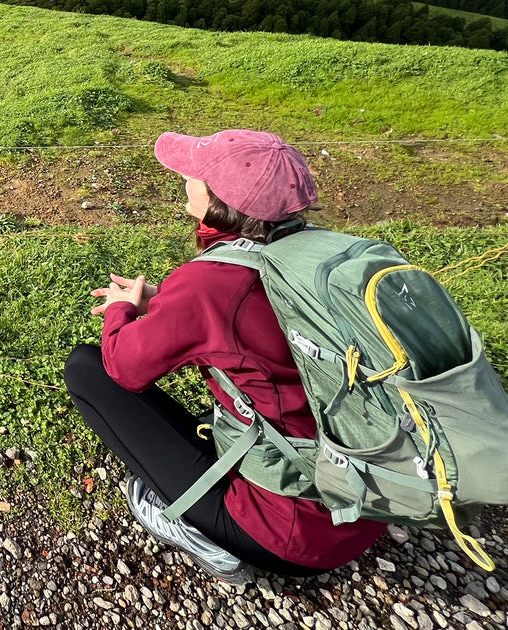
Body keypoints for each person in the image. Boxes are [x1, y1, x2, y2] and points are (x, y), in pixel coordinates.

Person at [63, 130, 386, 583]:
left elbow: (123, 366)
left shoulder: (212, 285)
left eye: (194, 175)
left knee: (87, 369)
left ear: (219, 202)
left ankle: (208, 542)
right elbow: (252, 323)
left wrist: (121, 308)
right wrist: (164, 302)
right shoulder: (321, 253)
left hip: (289, 534)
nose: (183, 178)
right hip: (371, 498)